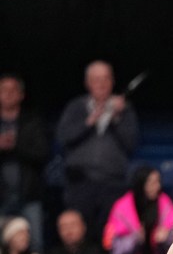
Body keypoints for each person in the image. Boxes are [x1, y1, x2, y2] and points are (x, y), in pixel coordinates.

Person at [55, 61, 139, 236]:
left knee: (109, 235)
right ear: (87, 83)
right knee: (79, 234)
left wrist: (117, 119)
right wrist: (88, 123)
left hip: (112, 184)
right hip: (79, 184)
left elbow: (131, 144)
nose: (101, 84)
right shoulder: (76, 107)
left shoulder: (124, 109)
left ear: (112, 81)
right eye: (96, 79)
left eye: (105, 79)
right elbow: (63, 138)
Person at [0, 74, 50, 252]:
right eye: (4, 90)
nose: (8, 94)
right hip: (2, 196)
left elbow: (43, 153)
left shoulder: (33, 121)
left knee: (35, 244)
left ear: (21, 95)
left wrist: (16, 146)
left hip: (29, 195)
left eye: (13, 90)